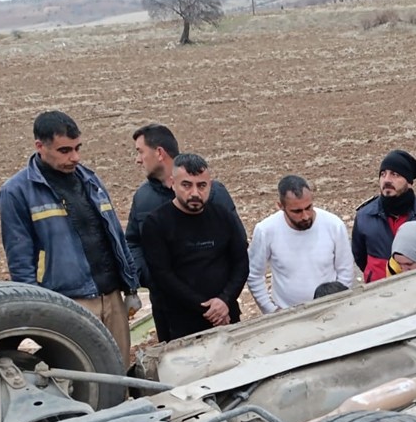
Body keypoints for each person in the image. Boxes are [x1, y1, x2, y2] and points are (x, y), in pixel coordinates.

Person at [0, 110, 138, 359]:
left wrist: (131, 288)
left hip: (111, 296)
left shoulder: (90, 180)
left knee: (119, 372)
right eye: (65, 150)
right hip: (69, 302)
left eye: (78, 148)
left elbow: (115, 234)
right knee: (83, 377)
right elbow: (21, 260)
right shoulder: (16, 192)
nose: (75, 157)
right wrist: (37, 308)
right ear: (40, 146)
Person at [140, 154, 249, 341]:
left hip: (226, 316)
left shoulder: (223, 216)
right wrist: (208, 309)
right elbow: (163, 276)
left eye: (201, 185)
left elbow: (241, 262)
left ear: (210, 185)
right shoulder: (156, 223)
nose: (195, 193)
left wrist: (224, 300)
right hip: (181, 324)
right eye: (186, 185)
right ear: (173, 183)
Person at [126, 123, 239, 286]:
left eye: (140, 152)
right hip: (167, 304)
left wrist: (222, 288)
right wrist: (149, 275)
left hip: (215, 303)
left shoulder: (214, 193)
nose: (138, 160)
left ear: (159, 153)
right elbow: (132, 242)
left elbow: (237, 243)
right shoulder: (143, 198)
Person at [247, 175, 355, 313]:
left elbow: (345, 270)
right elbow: (254, 274)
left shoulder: (334, 225)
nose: (305, 216)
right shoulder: (265, 230)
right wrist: (271, 310)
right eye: (297, 211)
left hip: (330, 310)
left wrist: (338, 302)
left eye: (308, 207)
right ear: (280, 206)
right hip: (288, 315)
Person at [351, 149, 416, 283]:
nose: (387, 180)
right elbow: (360, 257)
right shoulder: (365, 215)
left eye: (395, 174)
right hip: (378, 292)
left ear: (409, 182)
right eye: (383, 174)